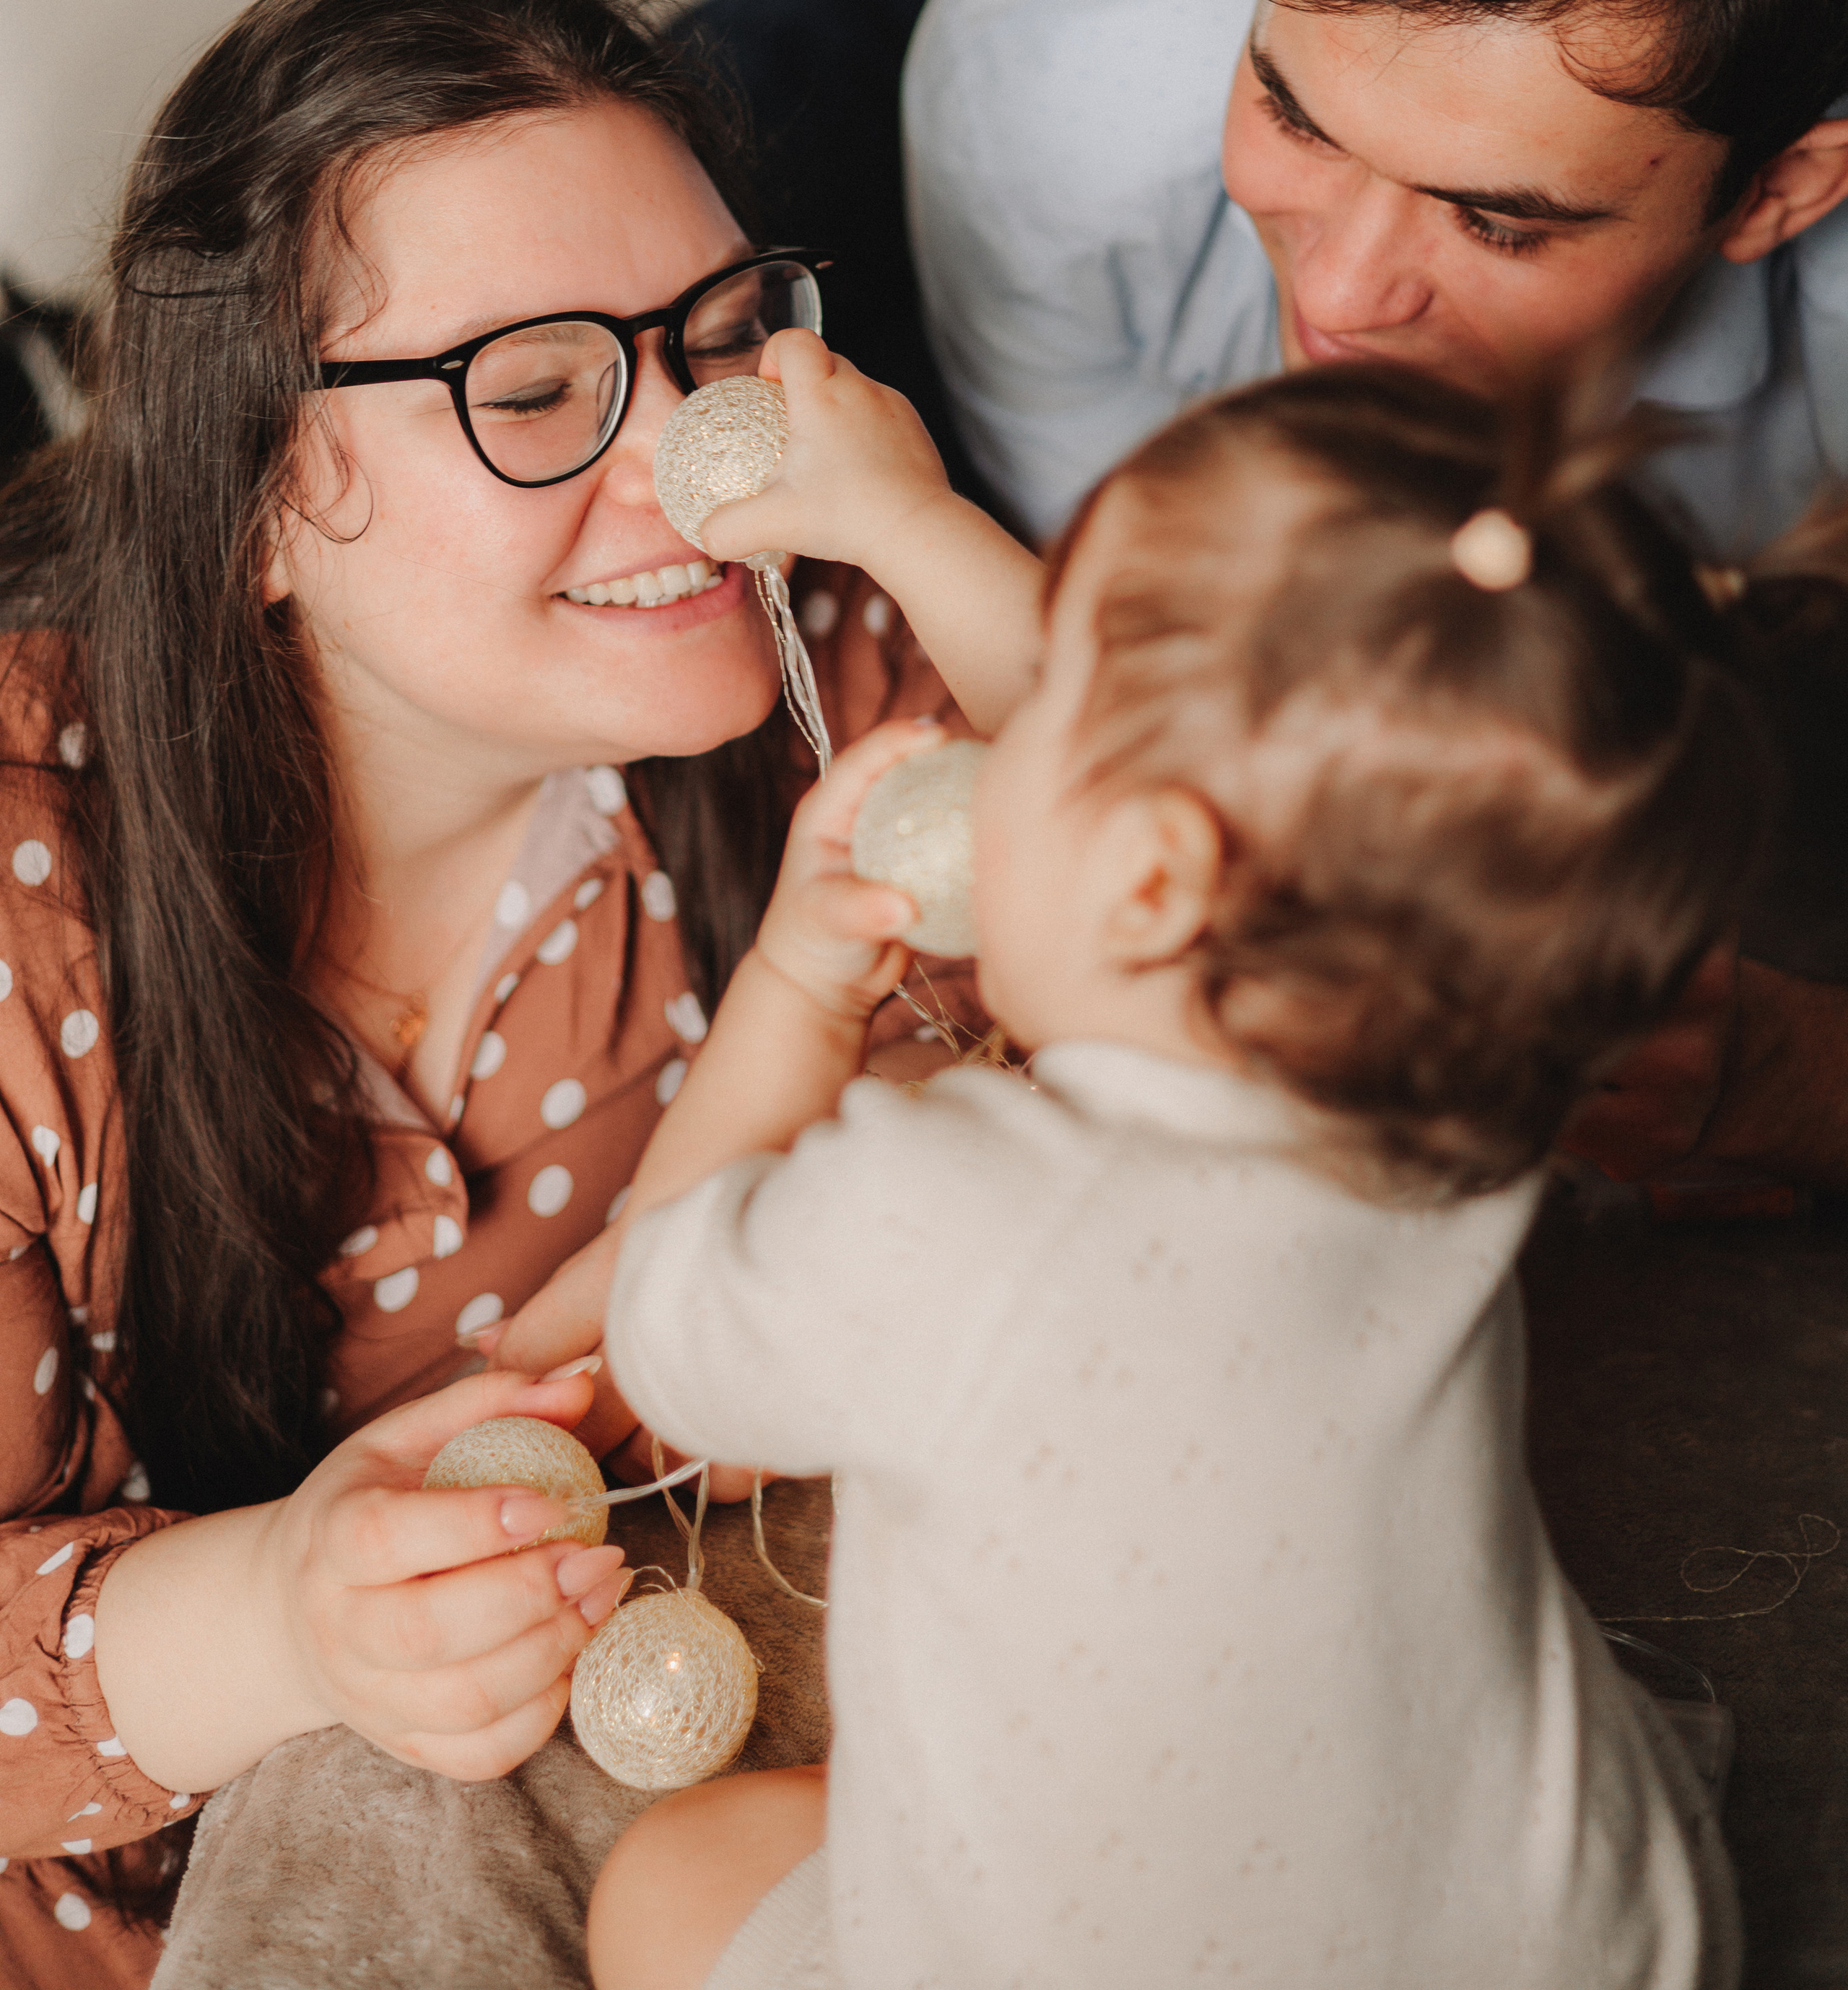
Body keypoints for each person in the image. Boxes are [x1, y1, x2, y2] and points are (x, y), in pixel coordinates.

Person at [549, 338, 1764, 1990]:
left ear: (1149, 882)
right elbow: (1172, 756)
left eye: (1032, 720)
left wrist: (791, 989)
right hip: (1570, 1939)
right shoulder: (1455, 1110)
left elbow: (672, 1321)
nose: (986, 736)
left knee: (676, 1879)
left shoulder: (949, 1213)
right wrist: (905, 522)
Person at [0, 0, 962, 1989]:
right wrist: (289, 1614)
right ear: (253, 498)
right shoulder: (25, 906)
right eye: (535, 390)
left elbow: (1206, 1024)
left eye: (722, 342)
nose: (706, 462)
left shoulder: (835, 682)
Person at [689, 0, 1848, 1181]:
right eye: (1294, 118)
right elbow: (1157, 682)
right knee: (544, 342)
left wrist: (1800, 1080)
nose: (1347, 296)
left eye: (1498, 220)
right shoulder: (1063, 96)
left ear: (1778, 192)